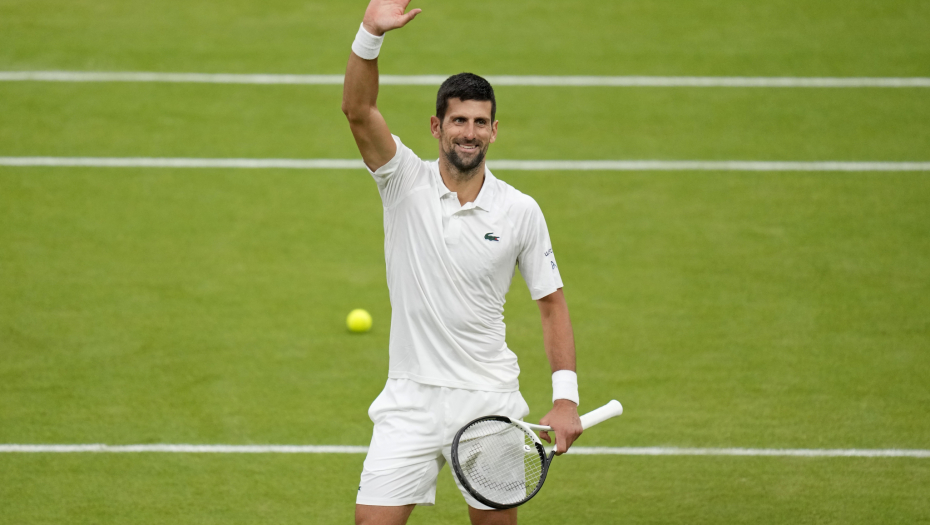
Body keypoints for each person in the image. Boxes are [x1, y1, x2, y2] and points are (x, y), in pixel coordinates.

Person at [342, 1, 583, 524]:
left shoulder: (521, 210)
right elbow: (358, 112)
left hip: (488, 402)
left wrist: (565, 398)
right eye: (458, 121)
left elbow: (551, 303)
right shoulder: (402, 181)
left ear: (494, 131)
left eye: (480, 122)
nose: (469, 132)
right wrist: (369, 34)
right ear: (436, 126)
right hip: (409, 398)